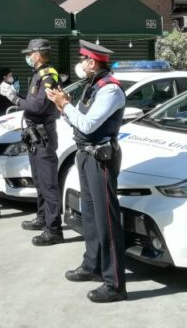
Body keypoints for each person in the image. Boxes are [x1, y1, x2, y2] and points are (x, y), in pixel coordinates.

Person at [46, 41, 127, 304]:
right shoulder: (91, 86)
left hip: (100, 157)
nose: (80, 64)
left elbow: (89, 124)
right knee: (90, 215)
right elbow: (77, 121)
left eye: (83, 59)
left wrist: (65, 105)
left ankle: (115, 283)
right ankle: (91, 265)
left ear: (92, 63)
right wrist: (62, 106)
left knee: (106, 219)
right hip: (85, 154)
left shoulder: (110, 89)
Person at [0, 38, 64, 246]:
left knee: (48, 183)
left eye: (29, 54)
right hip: (35, 134)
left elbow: (36, 106)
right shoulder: (38, 74)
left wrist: (14, 98)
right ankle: (43, 217)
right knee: (39, 180)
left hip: (43, 135)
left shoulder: (48, 75)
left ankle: (53, 229)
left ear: (37, 54)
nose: (27, 57)